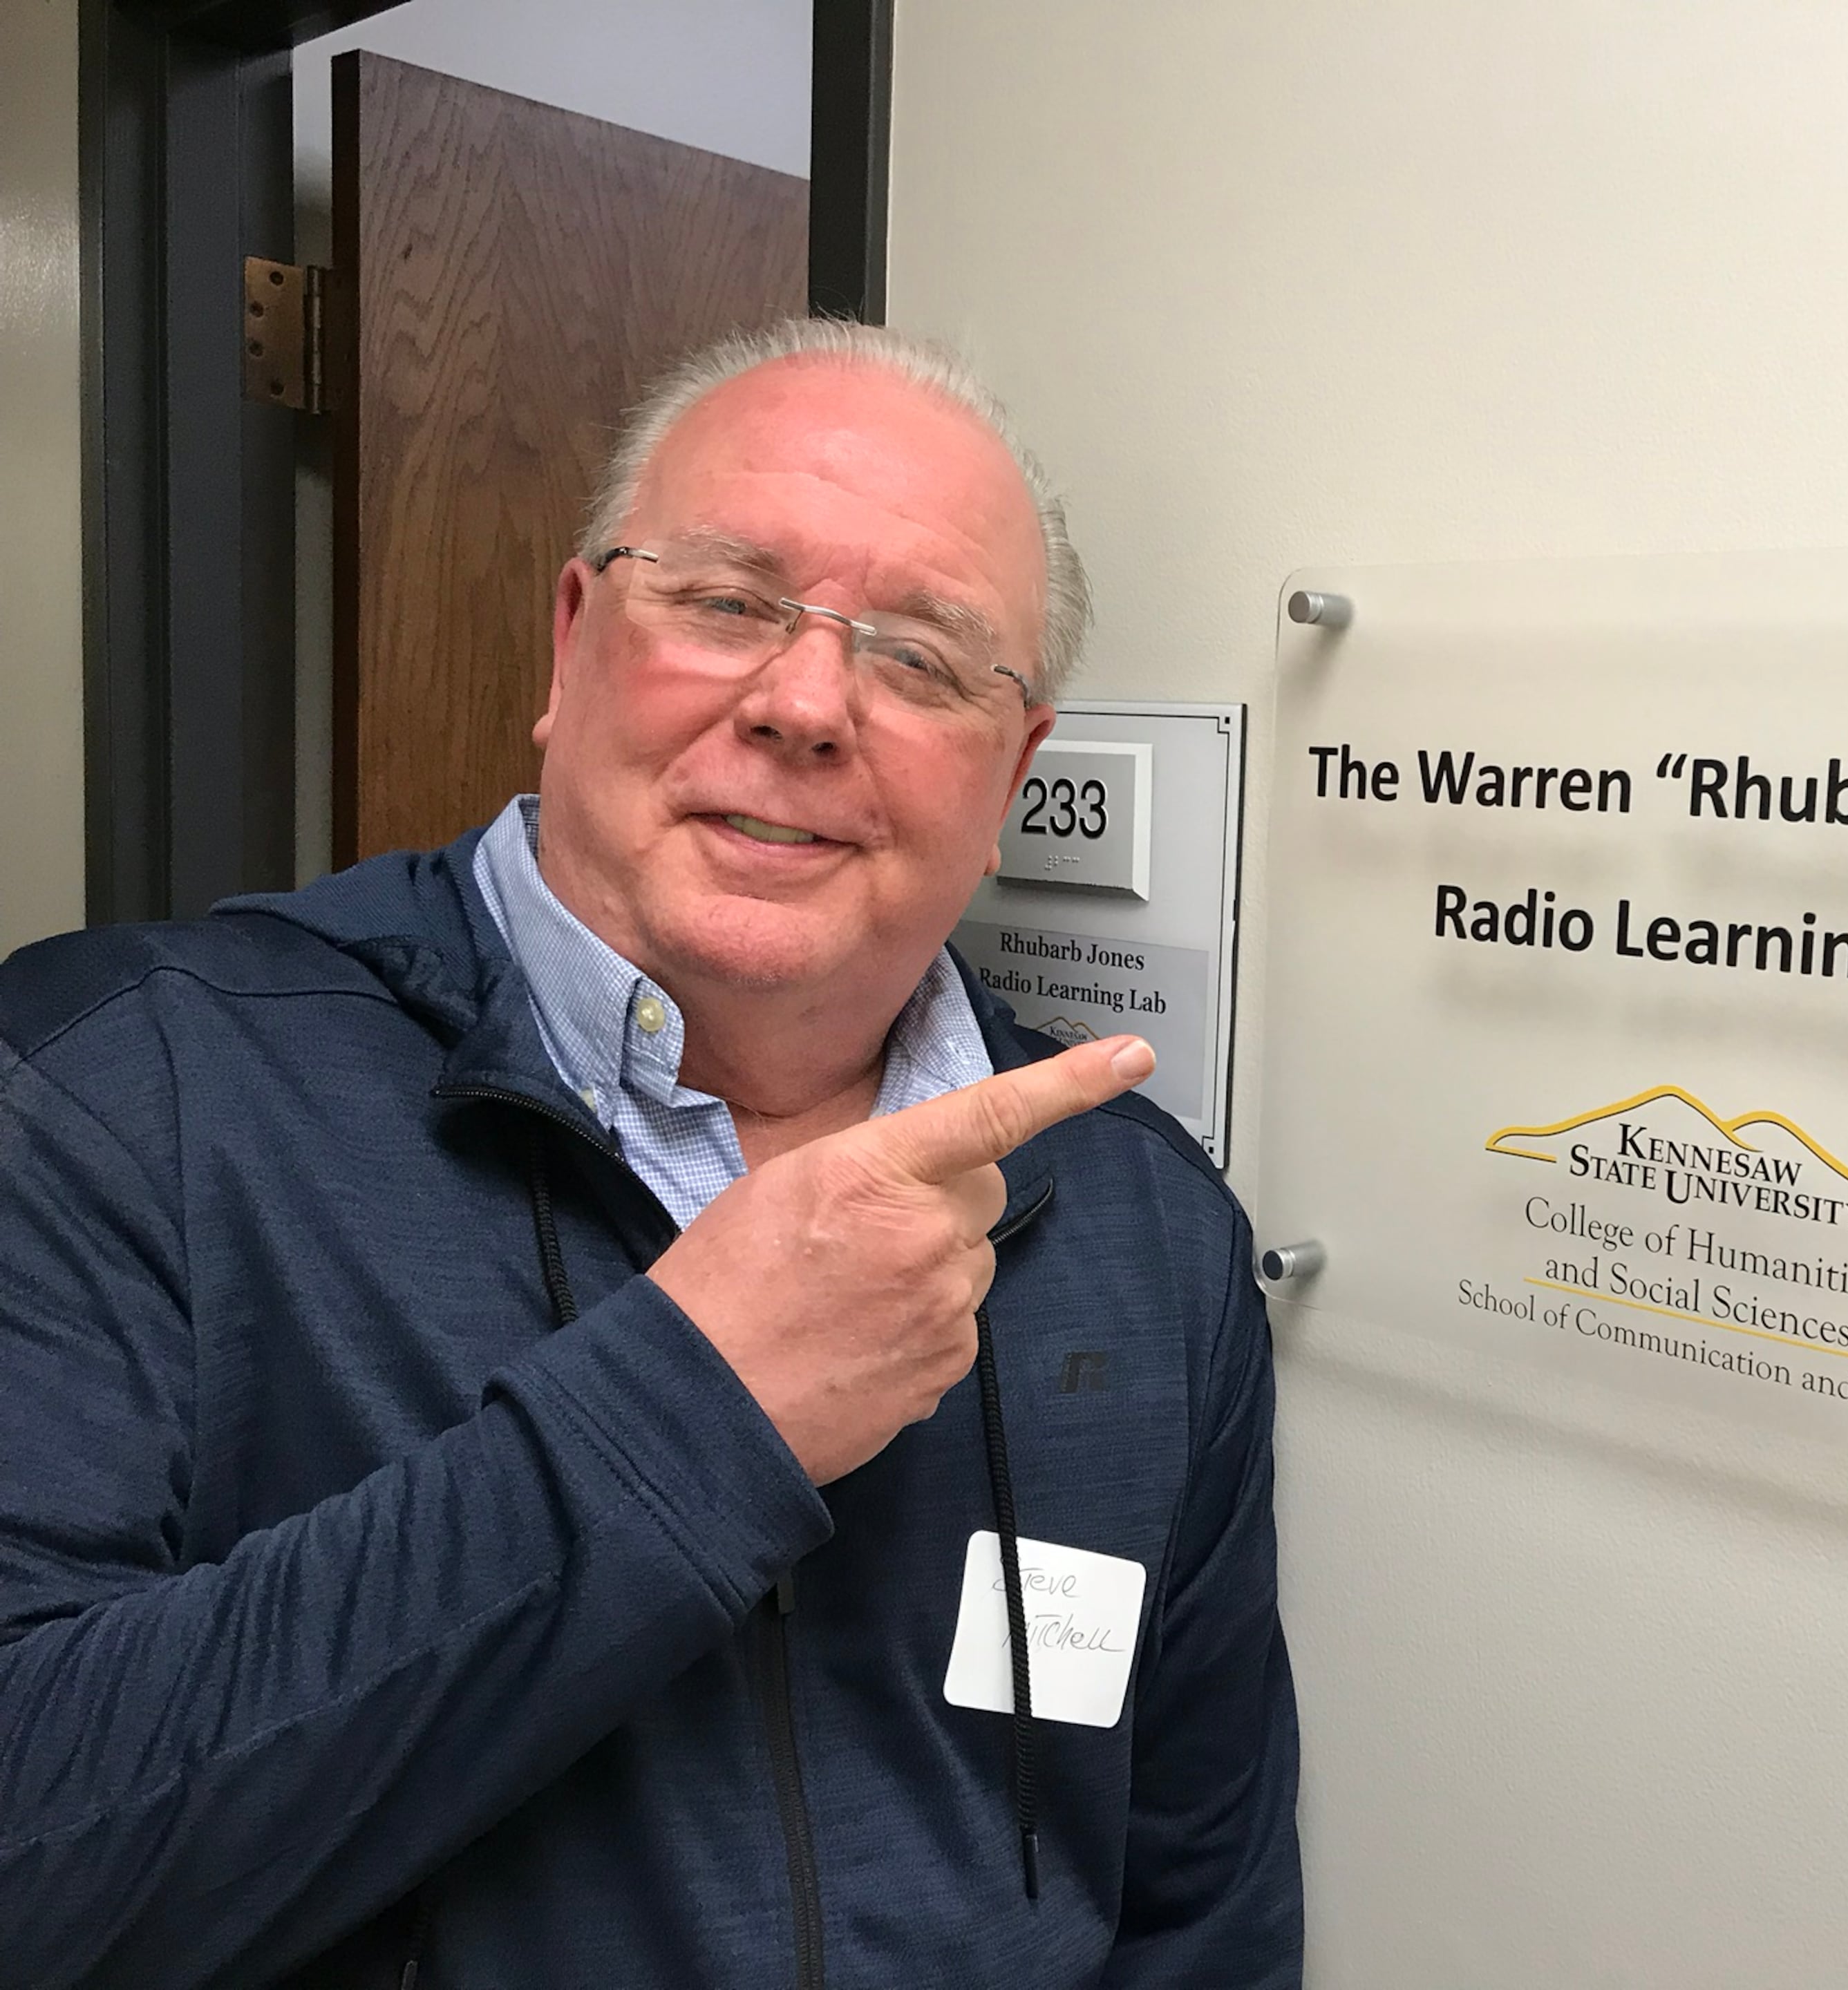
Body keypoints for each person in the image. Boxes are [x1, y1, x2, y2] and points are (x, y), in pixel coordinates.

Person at [0, 321, 1300, 1987]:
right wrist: (695, 1416)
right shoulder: (122, 1088)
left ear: (1013, 776)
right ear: (570, 642)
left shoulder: (1147, 1226)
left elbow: (1207, 1913)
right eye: (729, 602)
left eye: (920, 657)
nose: (808, 702)